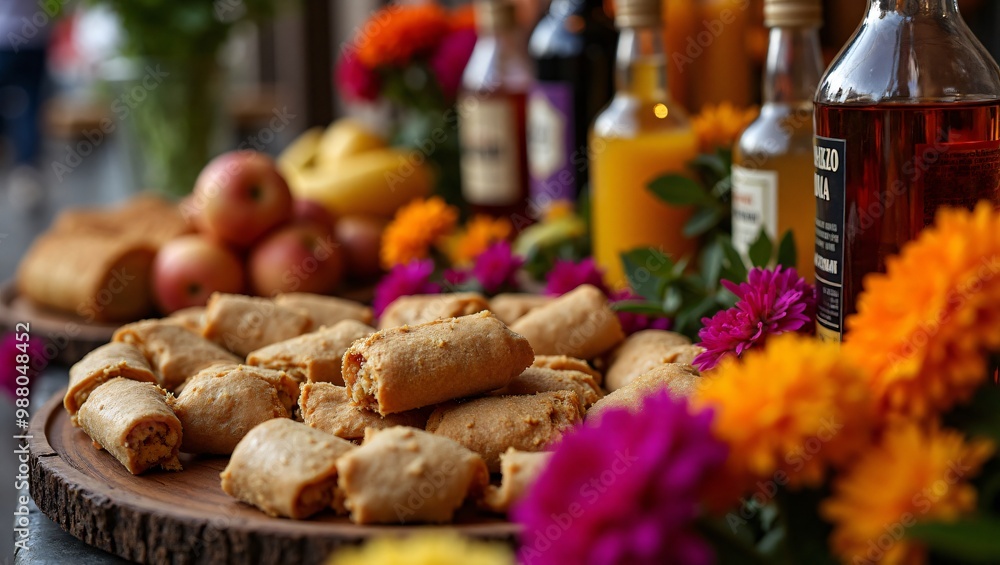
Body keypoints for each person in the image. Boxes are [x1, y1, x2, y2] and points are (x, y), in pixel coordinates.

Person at [0, 1, 52, 207]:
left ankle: (23, 168)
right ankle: (27, 170)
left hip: (5, 36)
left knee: (25, 103)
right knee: (31, 105)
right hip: (35, 35)